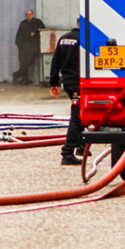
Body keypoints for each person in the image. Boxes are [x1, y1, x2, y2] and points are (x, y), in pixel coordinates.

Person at [50, 18, 83, 165]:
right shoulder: (84, 39)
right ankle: (67, 153)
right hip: (78, 82)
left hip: (68, 82)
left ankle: (81, 146)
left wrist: (54, 83)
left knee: (82, 112)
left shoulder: (64, 38)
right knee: (76, 116)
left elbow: (55, 60)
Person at [13, 9, 46, 85]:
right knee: (23, 62)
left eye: (29, 14)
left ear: (33, 14)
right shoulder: (23, 23)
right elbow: (19, 34)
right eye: (27, 15)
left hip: (33, 47)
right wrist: (18, 44)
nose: (28, 16)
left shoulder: (37, 22)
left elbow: (43, 29)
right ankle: (25, 80)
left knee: (27, 63)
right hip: (23, 46)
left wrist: (35, 31)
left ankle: (16, 74)